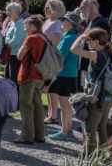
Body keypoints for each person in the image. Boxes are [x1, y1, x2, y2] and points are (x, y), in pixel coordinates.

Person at [70, 28, 112, 155]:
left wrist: (80, 38)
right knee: (101, 127)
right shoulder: (107, 53)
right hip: (107, 96)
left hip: (98, 97)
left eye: (89, 40)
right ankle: (100, 156)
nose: (87, 42)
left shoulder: (97, 54)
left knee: (90, 128)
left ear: (96, 42)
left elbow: (73, 50)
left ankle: (89, 159)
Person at [46, 12, 81, 141]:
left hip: (64, 73)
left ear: (71, 23)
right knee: (66, 104)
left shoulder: (67, 38)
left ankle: (65, 131)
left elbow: (59, 57)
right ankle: (68, 128)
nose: (62, 22)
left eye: (64, 20)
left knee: (65, 104)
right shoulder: (73, 36)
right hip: (69, 73)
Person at [13, 17, 47, 145]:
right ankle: (40, 134)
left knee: (25, 104)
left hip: (28, 75)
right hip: (40, 75)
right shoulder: (44, 37)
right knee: (37, 104)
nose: (25, 29)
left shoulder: (31, 38)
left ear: (33, 26)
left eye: (26, 26)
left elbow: (19, 55)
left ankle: (27, 135)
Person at [78, 0, 110, 94]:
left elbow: (104, 44)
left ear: (91, 8)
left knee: (92, 94)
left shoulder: (100, 22)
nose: (80, 10)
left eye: (82, 7)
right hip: (87, 64)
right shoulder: (92, 22)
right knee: (87, 93)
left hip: (93, 66)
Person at [3, 2, 25, 86]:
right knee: (8, 78)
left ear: (16, 12)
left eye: (9, 10)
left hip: (16, 56)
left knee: (14, 80)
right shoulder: (13, 23)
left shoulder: (20, 24)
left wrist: (5, 47)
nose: (7, 12)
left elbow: (15, 41)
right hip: (10, 54)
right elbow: (8, 37)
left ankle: (15, 98)